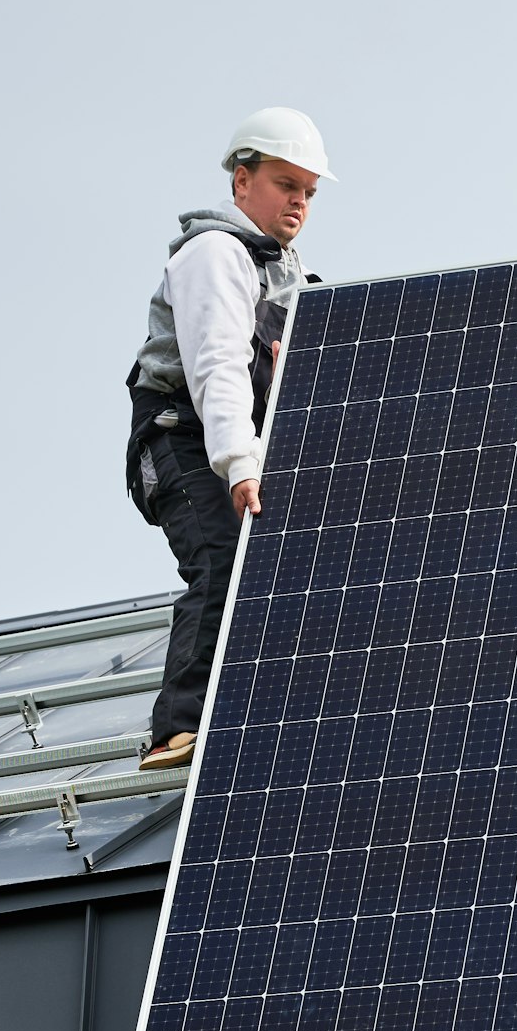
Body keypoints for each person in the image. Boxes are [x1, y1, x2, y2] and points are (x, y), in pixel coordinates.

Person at [127, 107, 336, 768]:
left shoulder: (287, 272)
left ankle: (252, 712)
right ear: (242, 181)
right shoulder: (215, 254)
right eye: (284, 184)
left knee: (280, 573)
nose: (298, 202)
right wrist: (239, 463)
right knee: (221, 560)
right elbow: (216, 364)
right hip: (185, 440)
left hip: (240, 444)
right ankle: (178, 728)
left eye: (307, 191)